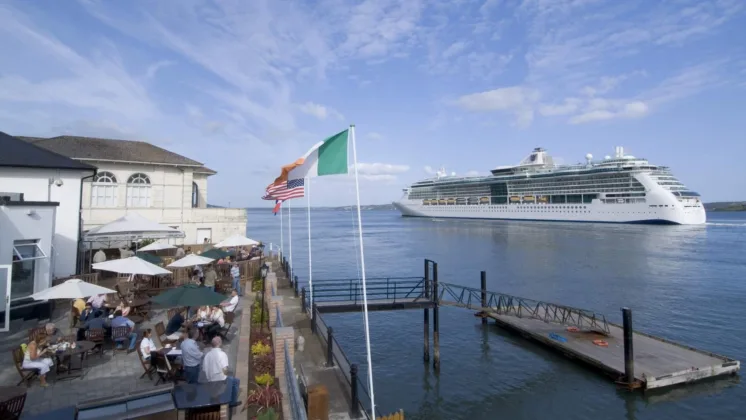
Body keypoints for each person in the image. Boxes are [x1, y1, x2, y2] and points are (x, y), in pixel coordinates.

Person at [202, 336, 240, 406]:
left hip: (210, 379)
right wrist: (227, 377)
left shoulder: (207, 355)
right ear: (219, 343)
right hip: (220, 380)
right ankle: (232, 402)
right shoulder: (222, 354)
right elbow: (225, 370)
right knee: (235, 381)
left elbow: (204, 369)